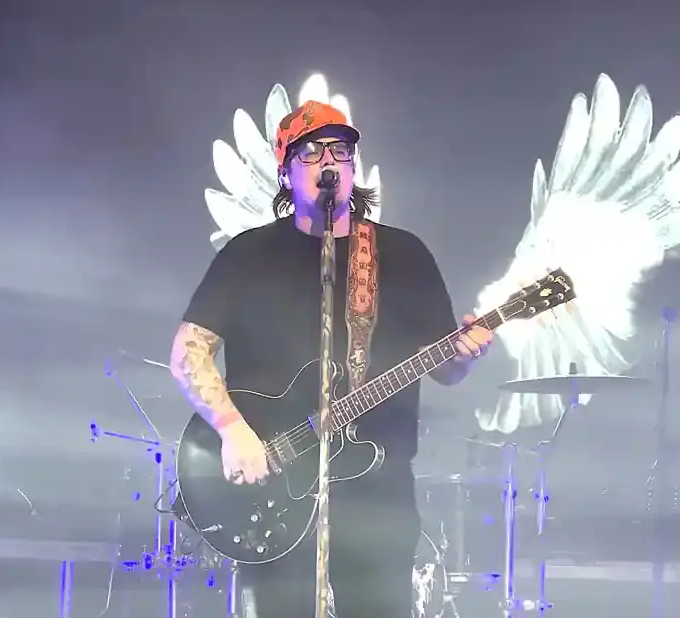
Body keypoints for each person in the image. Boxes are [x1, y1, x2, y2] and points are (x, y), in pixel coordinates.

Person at [169, 100, 493, 618]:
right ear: (286, 170)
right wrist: (233, 429)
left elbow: (445, 368)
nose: (330, 162)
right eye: (312, 152)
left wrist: (466, 354)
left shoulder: (403, 255)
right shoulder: (248, 255)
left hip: (377, 493)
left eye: (341, 151)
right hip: (269, 482)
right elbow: (189, 353)